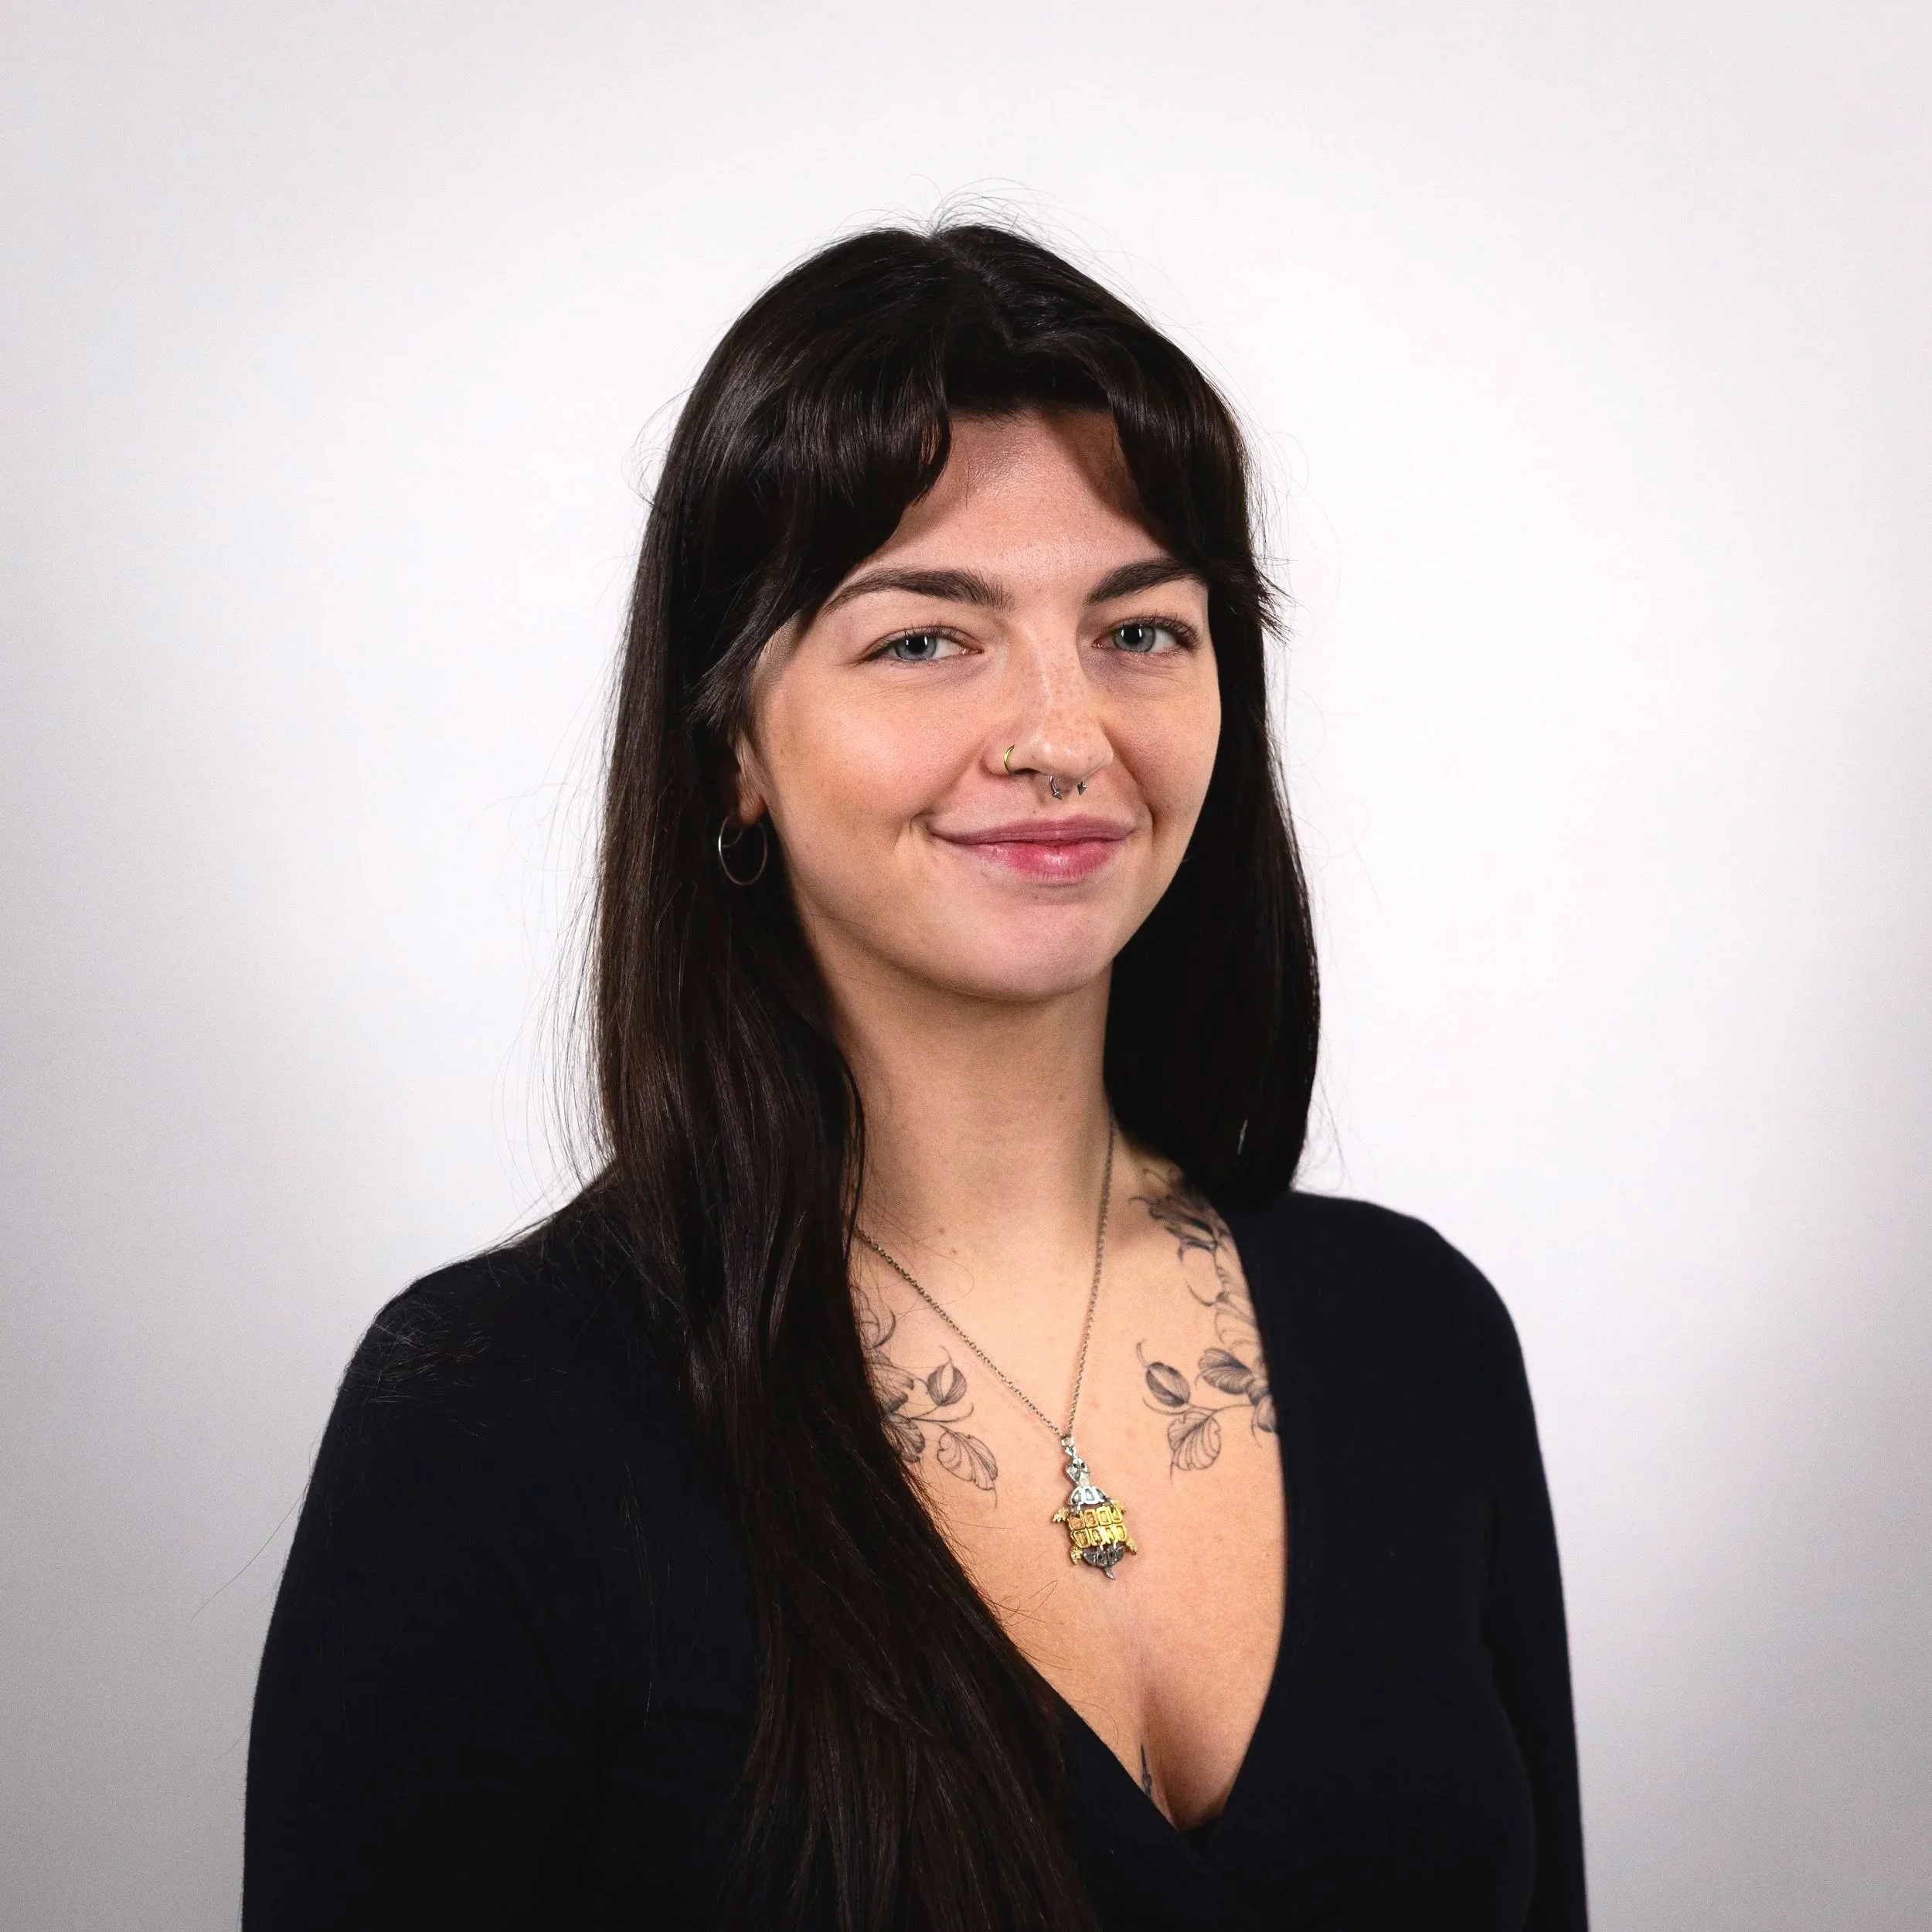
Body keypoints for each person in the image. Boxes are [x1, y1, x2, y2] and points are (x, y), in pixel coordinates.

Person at [243, 223, 1587, 1932]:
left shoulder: (1419, 1336)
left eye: (1141, 630)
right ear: (728, 742)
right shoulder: (492, 1416)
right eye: (926, 641)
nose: (1060, 734)